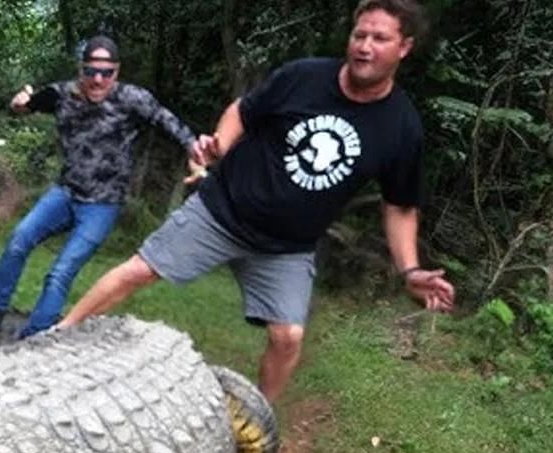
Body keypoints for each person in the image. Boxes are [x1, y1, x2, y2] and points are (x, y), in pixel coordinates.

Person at [56, 0, 455, 402]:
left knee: (288, 337)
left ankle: (257, 429)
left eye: (379, 38)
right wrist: (220, 146)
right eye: (359, 34)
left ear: (404, 47)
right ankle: (58, 338)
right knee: (137, 270)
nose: (365, 46)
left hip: (286, 247)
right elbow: (242, 112)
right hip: (221, 212)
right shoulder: (304, 77)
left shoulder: (401, 127)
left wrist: (410, 271)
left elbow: (400, 205)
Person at [0, 36, 200, 348]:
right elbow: (25, 105)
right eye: (91, 71)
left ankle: (33, 342)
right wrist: (19, 103)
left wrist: (195, 148)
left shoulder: (133, 98)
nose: (98, 79)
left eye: (107, 72)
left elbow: (169, 122)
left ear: (117, 71)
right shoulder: (62, 94)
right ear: (81, 69)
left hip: (102, 205)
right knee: (19, 239)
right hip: (65, 194)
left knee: (60, 272)